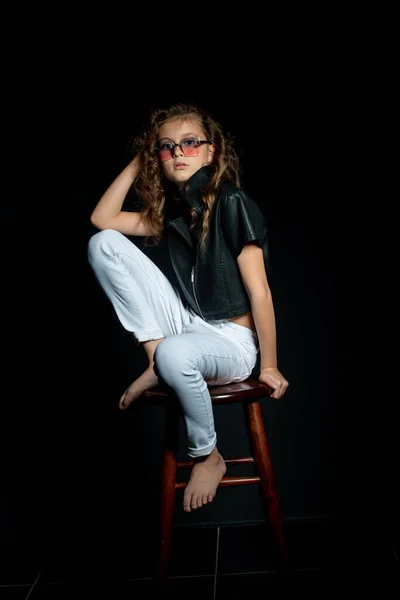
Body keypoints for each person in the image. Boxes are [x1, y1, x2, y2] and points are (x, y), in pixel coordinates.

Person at [87, 103, 289, 513]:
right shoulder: (174, 211)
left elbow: (261, 292)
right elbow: (102, 219)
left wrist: (268, 364)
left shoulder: (232, 203)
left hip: (232, 342)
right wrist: (140, 159)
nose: (177, 153)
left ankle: (206, 455)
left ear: (212, 151)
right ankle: (155, 357)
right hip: (188, 325)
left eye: (189, 143)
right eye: (166, 147)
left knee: (176, 353)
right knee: (102, 245)